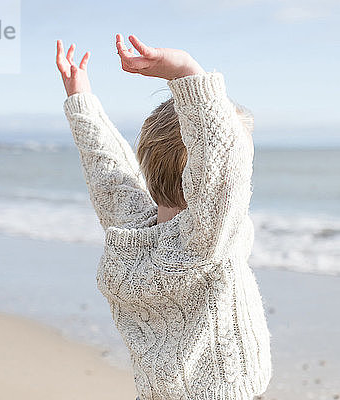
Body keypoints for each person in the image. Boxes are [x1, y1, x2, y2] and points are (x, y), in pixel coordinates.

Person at [56, 33, 272, 400]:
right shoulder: (208, 238)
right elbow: (219, 160)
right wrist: (186, 72)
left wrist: (81, 100)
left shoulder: (129, 230)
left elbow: (108, 171)